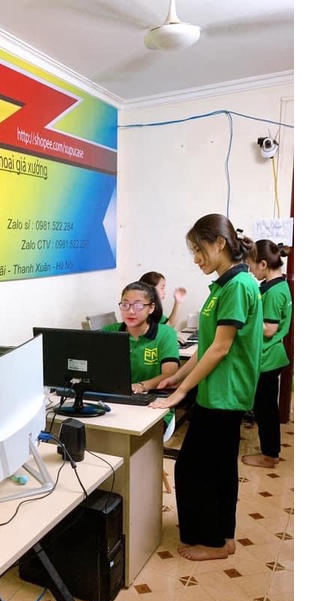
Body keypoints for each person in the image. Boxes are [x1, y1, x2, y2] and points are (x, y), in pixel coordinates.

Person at [150, 214, 262, 561]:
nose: (196, 258)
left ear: (220, 244)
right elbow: (207, 346)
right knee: (221, 468)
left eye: (199, 250)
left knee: (192, 470)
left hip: (225, 393)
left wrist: (181, 393)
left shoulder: (237, 286)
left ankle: (211, 542)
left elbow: (220, 349)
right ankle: (223, 538)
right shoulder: (224, 286)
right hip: (219, 391)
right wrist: (178, 377)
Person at [242, 240, 292, 468]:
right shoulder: (276, 285)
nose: (251, 271)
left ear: (263, 264)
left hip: (268, 357)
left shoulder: (274, 292)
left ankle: (269, 456)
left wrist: (243, 320)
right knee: (266, 407)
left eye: (252, 266)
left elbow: (269, 329)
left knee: (266, 410)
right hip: (269, 356)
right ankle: (270, 452)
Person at [101, 280, 180, 426]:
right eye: (125, 305)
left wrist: (141, 386)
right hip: (115, 401)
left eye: (138, 306)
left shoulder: (166, 334)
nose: (130, 311)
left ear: (151, 308)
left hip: (154, 402)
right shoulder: (109, 332)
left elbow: (170, 374)